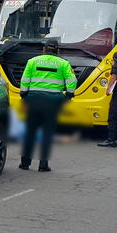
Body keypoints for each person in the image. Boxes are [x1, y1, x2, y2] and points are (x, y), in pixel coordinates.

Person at [19, 40, 77, 172]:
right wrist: (68, 96)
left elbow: (24, 80)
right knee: (47, 133)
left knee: (30, 132)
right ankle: (43, 165)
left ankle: (25, 163)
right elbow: (72, 81)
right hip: (53, 101)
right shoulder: (64, 63)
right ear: (57, 50)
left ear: (44, 49)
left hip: (34, 99)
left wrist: (25, 96)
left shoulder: (32, 61)